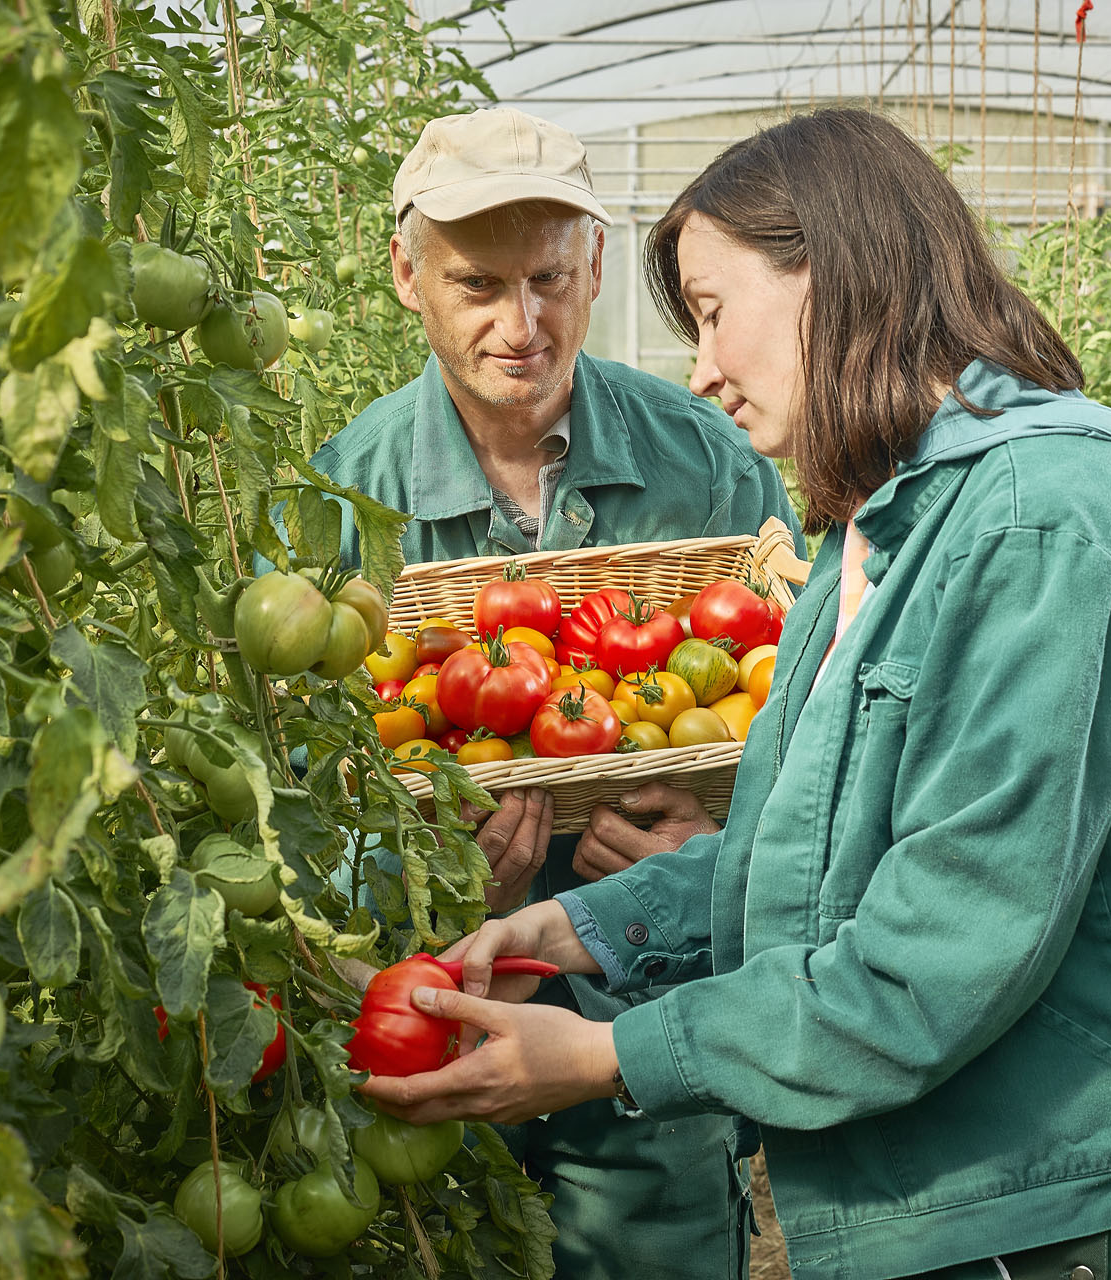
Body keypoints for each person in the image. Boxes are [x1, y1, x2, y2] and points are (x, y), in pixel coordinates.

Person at [363, 107, 1111, 1280]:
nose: (699, 367)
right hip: (969, 1189)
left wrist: (605, 1056)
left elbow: (936, 954)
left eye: (709, 310)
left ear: (832, 274)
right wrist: (579, 929)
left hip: (1061, 1209)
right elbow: (815, 851)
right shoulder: (883, 527)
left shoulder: (1047, 518)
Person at [310, 107, 802, 1280]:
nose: (520, 326)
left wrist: (712, 839)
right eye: (478, 283)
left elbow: (812, 712)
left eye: (548, 278)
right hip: (428, 1017)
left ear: (591, 266)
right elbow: (295, 792)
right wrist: (418, 868)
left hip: (645, 1046)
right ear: (406, 275)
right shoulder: (340, 499)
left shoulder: (709, 462)